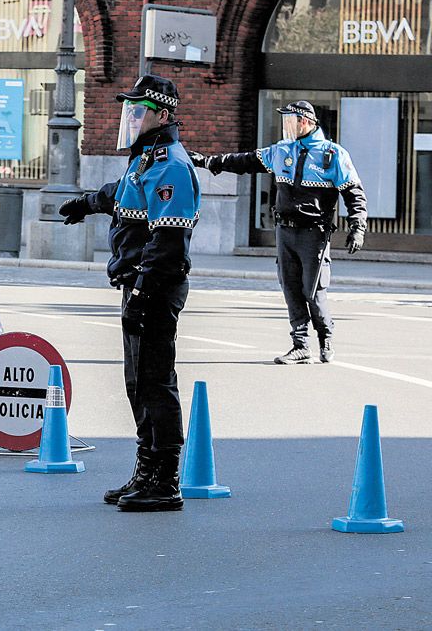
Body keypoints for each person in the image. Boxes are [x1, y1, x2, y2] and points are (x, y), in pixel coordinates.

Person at [57, 75, 201, 512]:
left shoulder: (171, 165)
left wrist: (141, 294)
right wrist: (86, 203)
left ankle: (165, 480)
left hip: (154, 286)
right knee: (137, 383)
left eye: (139, 110)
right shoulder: (145, 160)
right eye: (130, 110)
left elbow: (168, 244)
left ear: (161, 114)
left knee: (156, 383)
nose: (131, 117)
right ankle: (145, 469)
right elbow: (121, 195)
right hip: (137, 284)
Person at [189, 100, 367, 365]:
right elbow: (246, 161)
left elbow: (354, 193)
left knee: (313, 291)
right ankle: (300, 345)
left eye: (290, 121)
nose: (286, 127)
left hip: (314, 234)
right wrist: (209, 162)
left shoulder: (333, 154)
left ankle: (325, 335)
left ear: (305, 122)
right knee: (290, 288)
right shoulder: (282, 150)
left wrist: (357, 227)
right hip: (285, 231)